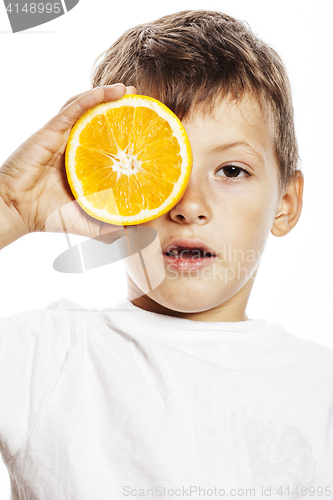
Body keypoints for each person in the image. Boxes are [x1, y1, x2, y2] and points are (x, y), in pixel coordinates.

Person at [0, 9, 332, 500]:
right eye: (153, 169)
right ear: (102, 189)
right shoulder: (44, 358)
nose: (190, 206)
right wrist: (8, 207)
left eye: (232, 171)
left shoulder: (321, 387)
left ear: (285, 205)